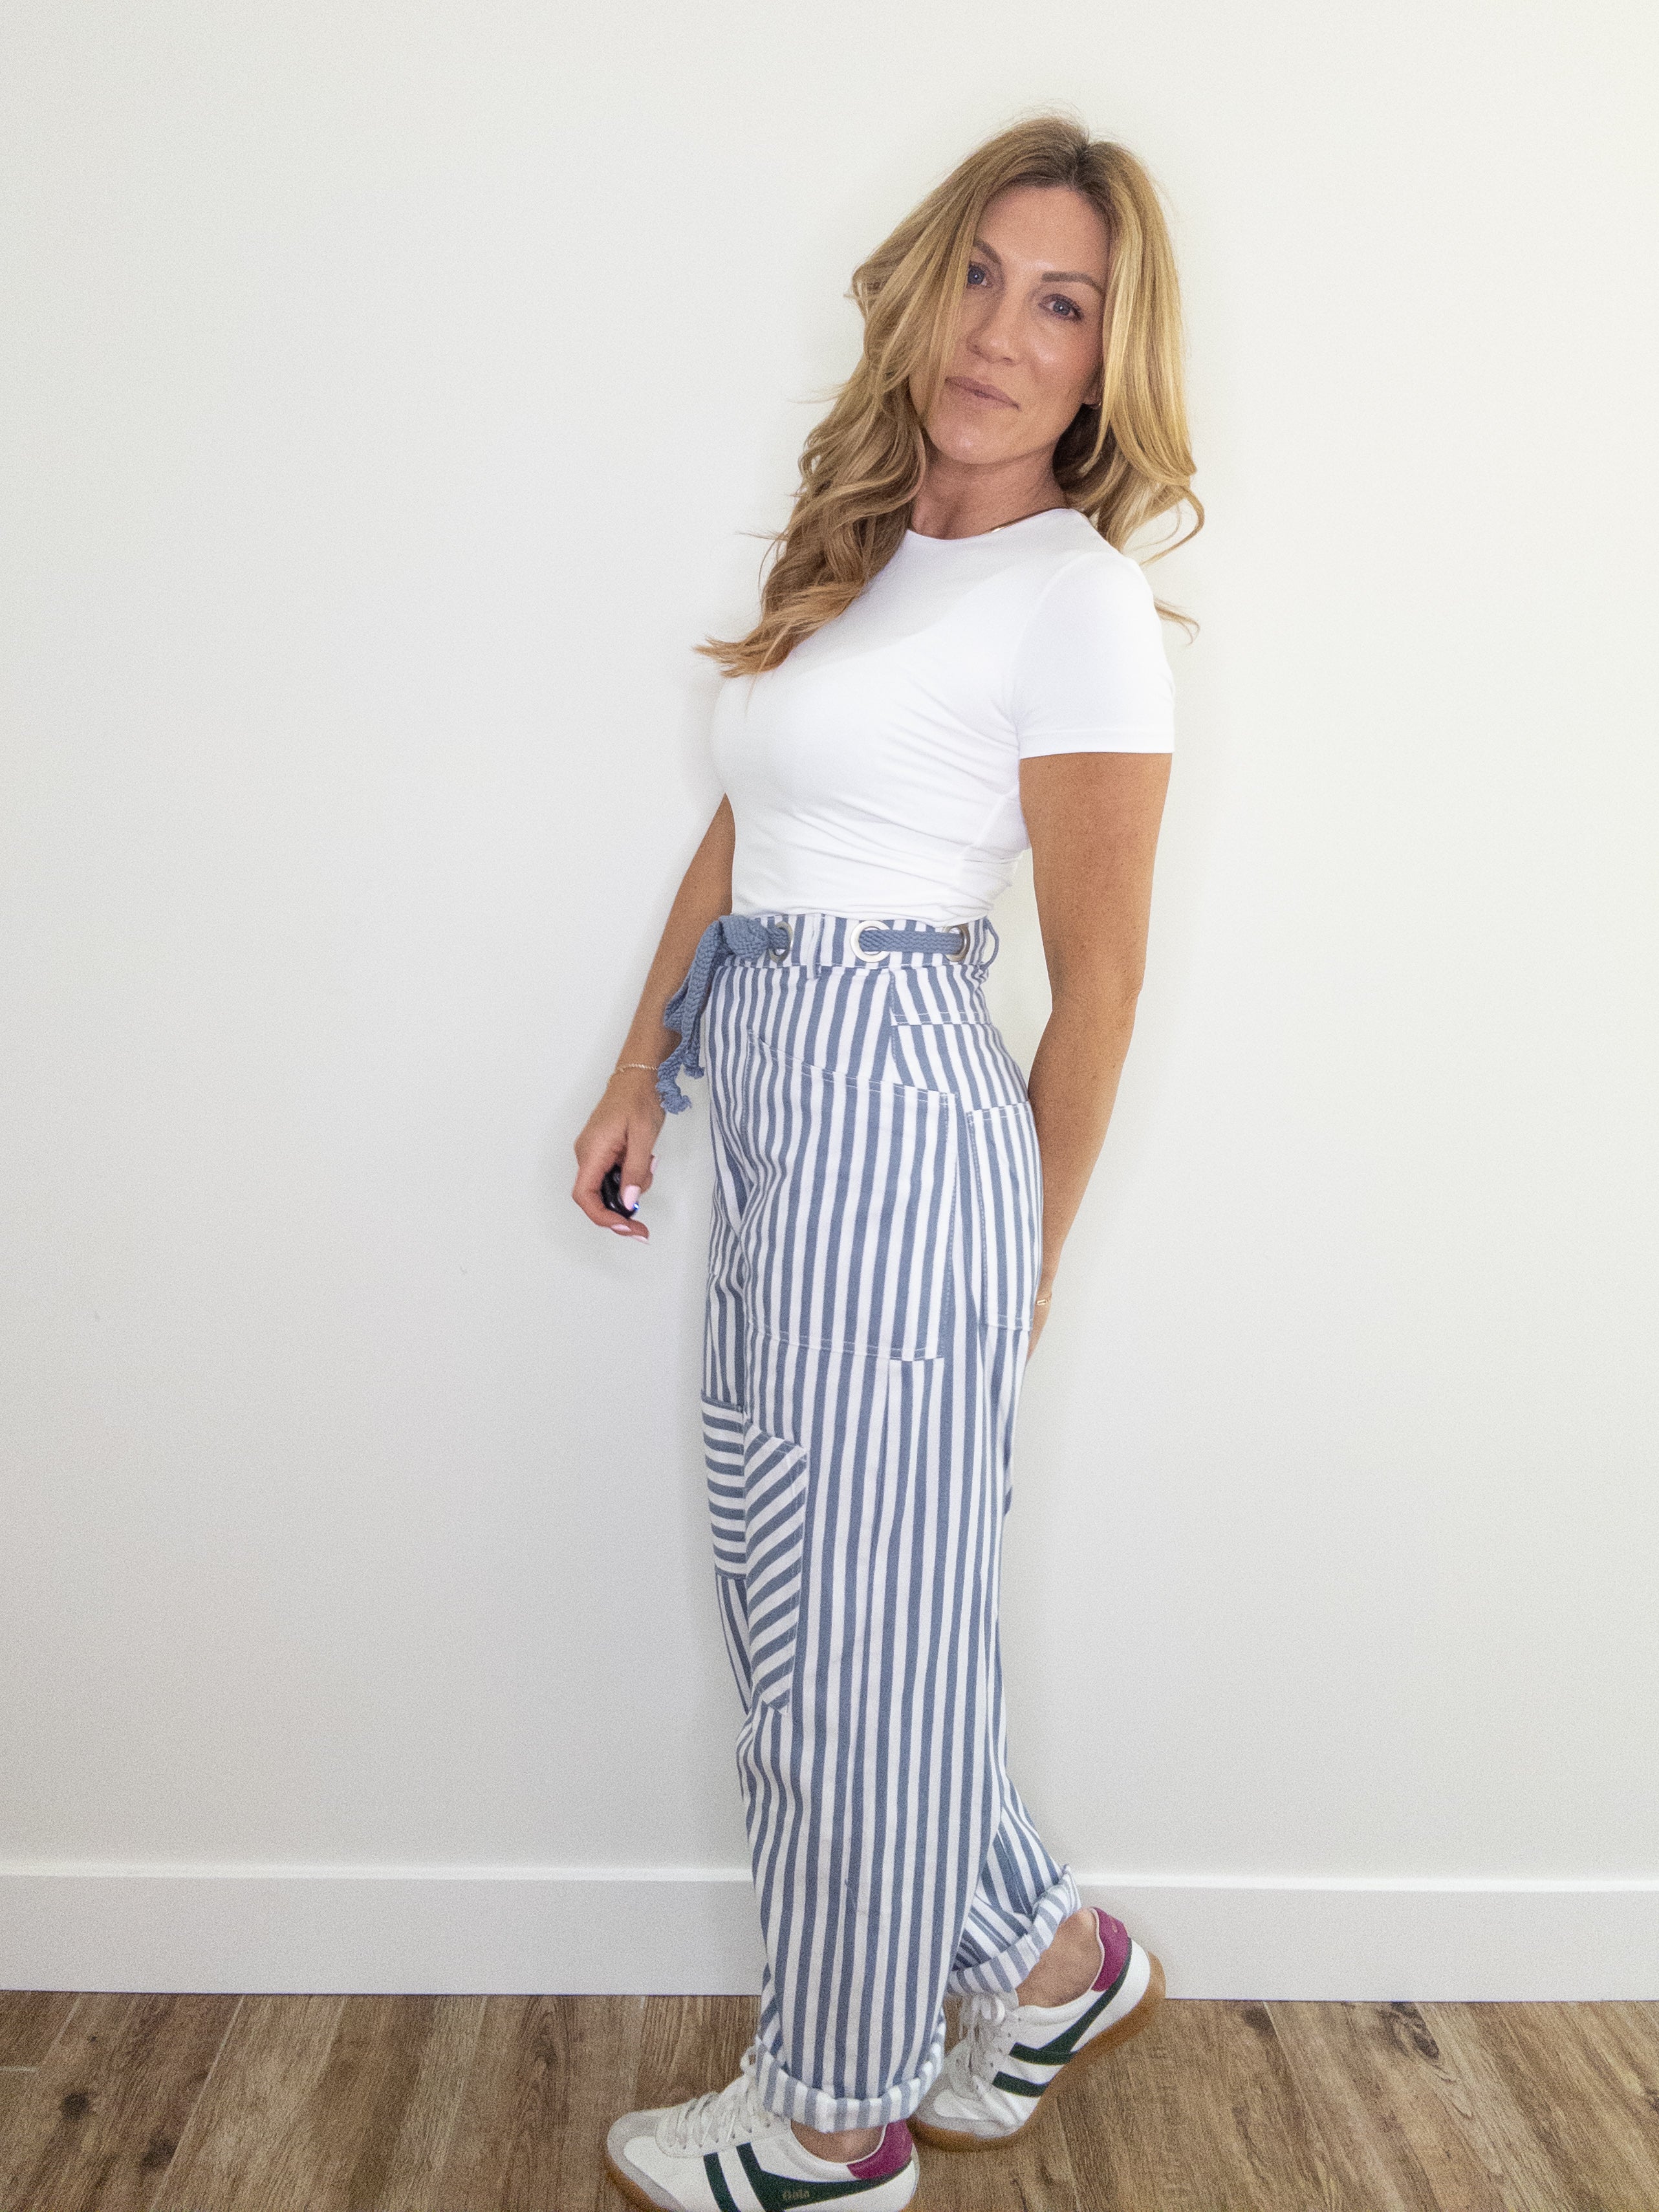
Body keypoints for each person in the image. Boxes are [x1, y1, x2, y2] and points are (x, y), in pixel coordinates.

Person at [573, 110, 1200, 2212]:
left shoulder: (1078, 598)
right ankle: (1052, 1959)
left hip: (902, 1112)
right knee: (826, 1614)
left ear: (1106, 362)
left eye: (1064, 306)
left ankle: (833, 2118)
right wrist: (645, 1064)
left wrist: (1023, 1254)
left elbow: (1101, 983)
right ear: (924, 292)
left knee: (854, 1657)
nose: (1005, 336)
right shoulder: (867, 549)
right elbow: (750, 823)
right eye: (984, 280)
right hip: (774, 1081)